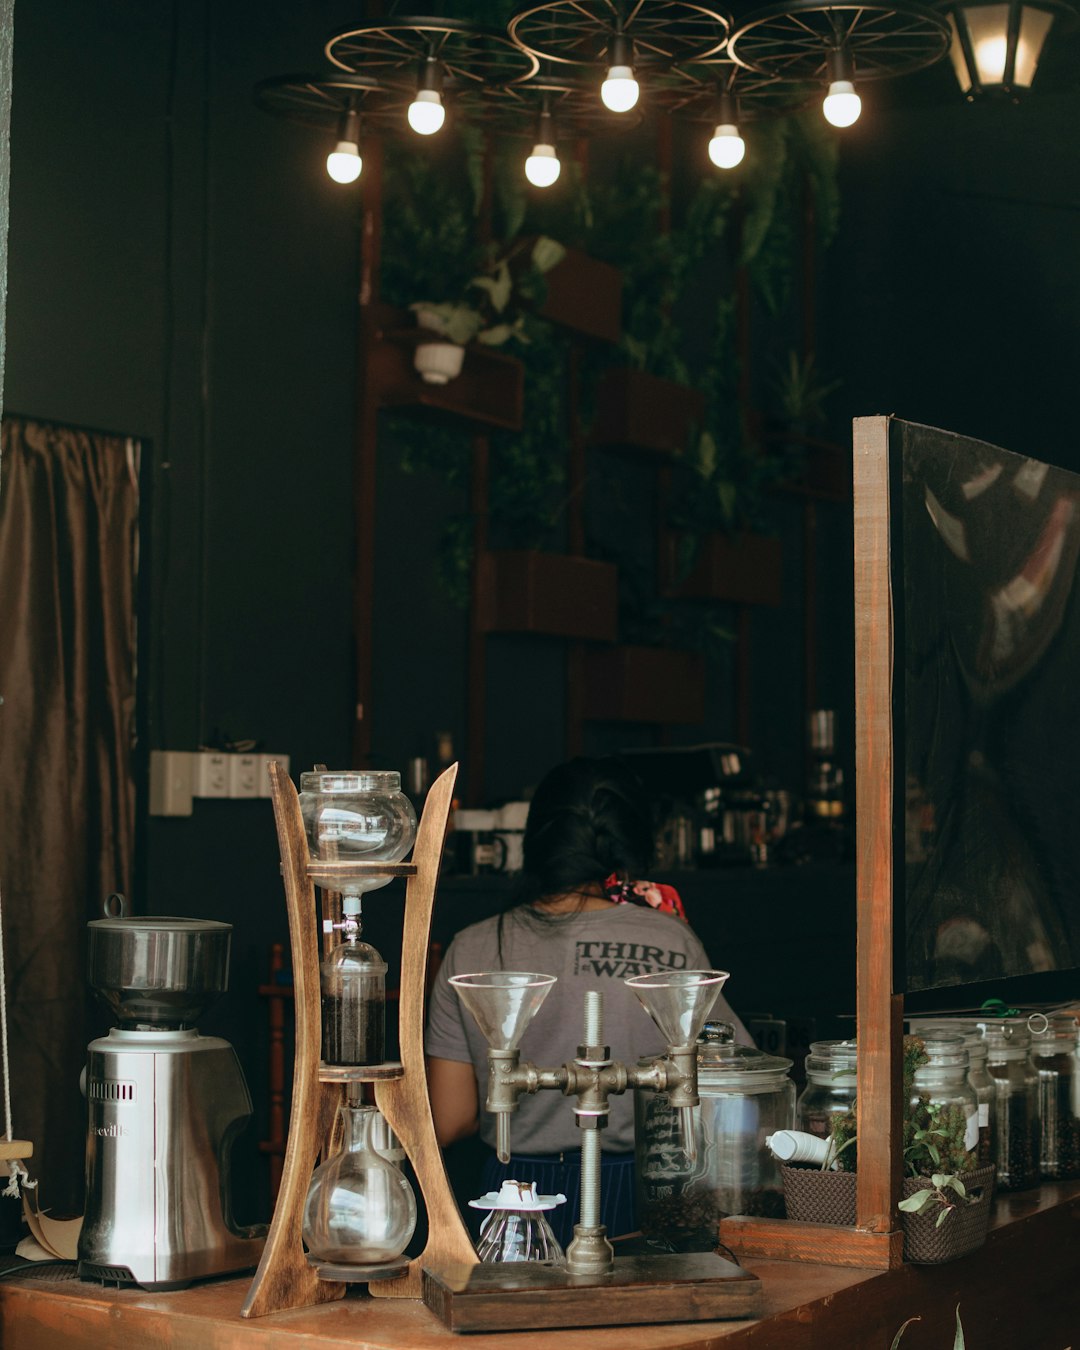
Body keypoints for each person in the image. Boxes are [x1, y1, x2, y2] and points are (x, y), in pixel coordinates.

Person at [425, 755, 751, 1245]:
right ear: (630, 839)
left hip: (516, 1193)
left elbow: (449, 1121)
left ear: (537, 840)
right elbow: (736, 1081)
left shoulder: (471, 948)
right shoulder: (668, 940)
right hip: (645, 1188)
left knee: (516, 1318)